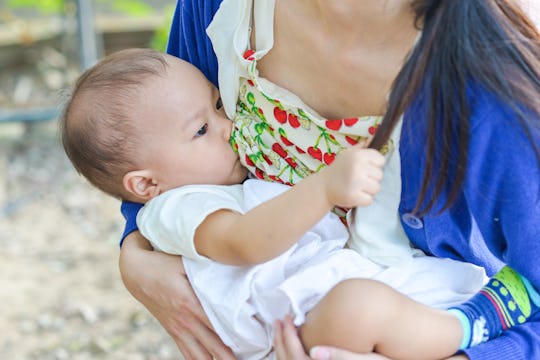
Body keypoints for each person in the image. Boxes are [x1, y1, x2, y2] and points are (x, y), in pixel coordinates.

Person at [117, 1, 540, 359]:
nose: (221, 124)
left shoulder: (489, 80)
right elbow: (151, 142)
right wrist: (134, 254)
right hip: (288, 314)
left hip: (418, 311)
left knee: (358, 310)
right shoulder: (224, 11)